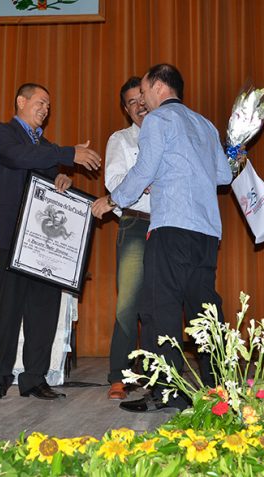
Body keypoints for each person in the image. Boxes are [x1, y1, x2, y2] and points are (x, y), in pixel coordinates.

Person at [91, 64, 232, 412]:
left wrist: (112, 201)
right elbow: (224, 175)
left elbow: (143, 170)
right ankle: (217, 390)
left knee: (159, 309)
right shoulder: (205, 124)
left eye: (143, 91)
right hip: (207, 231)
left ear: (157, 87)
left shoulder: (158, 121)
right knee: (205, 309)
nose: (143, 100)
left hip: (170, 227)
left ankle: (167, 391)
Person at [0, 83, 102, 401]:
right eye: (40, 102)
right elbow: (20, 157)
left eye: (49, 105)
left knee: (43, 311)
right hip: (8, 239)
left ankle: (34, 378)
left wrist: (63, 178)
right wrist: (68, 154)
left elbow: (49, 174)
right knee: (6, 311)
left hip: (41, 244)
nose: (45, 109)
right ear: (20, 101)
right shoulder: (1, 133)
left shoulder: (46, 146)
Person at [104, 76, 150, 400]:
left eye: (141, 99)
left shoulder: (168, 136)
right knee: (127, 304)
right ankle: (119, 376)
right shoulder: (120, 139)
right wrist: (143, 179)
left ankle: (151, 375)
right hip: (134, 225)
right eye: (131, 102)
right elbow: (114, 183)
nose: (138, 106)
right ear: (125, 109)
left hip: (167, 225)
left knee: (158, 305)